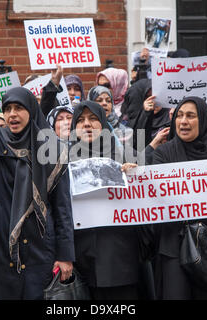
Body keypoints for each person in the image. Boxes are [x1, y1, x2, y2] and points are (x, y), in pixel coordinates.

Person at [0, 48, 74, 300]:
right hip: (0, 247)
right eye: (7, 108)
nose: (12, 114)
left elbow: (62, 207)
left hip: (39, 249)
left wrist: (65, 255)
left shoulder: (51, 151)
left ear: (31, 111)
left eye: (18, 108)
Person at [149, 96, 207, 299]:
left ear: (202, 120)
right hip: (174, 246)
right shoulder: (163, 154)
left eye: (190, 116)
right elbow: (156, 196)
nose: (183, 121)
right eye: (180, 116)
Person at [69, 101, 141, 300]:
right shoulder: (63, 160)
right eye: (81, 120)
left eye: (93, 119)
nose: (87, 125)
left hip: (120, 258)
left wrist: (134, 177)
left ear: (103, 123)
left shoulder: (126, 156)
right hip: (80, 258)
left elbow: (144, 203)